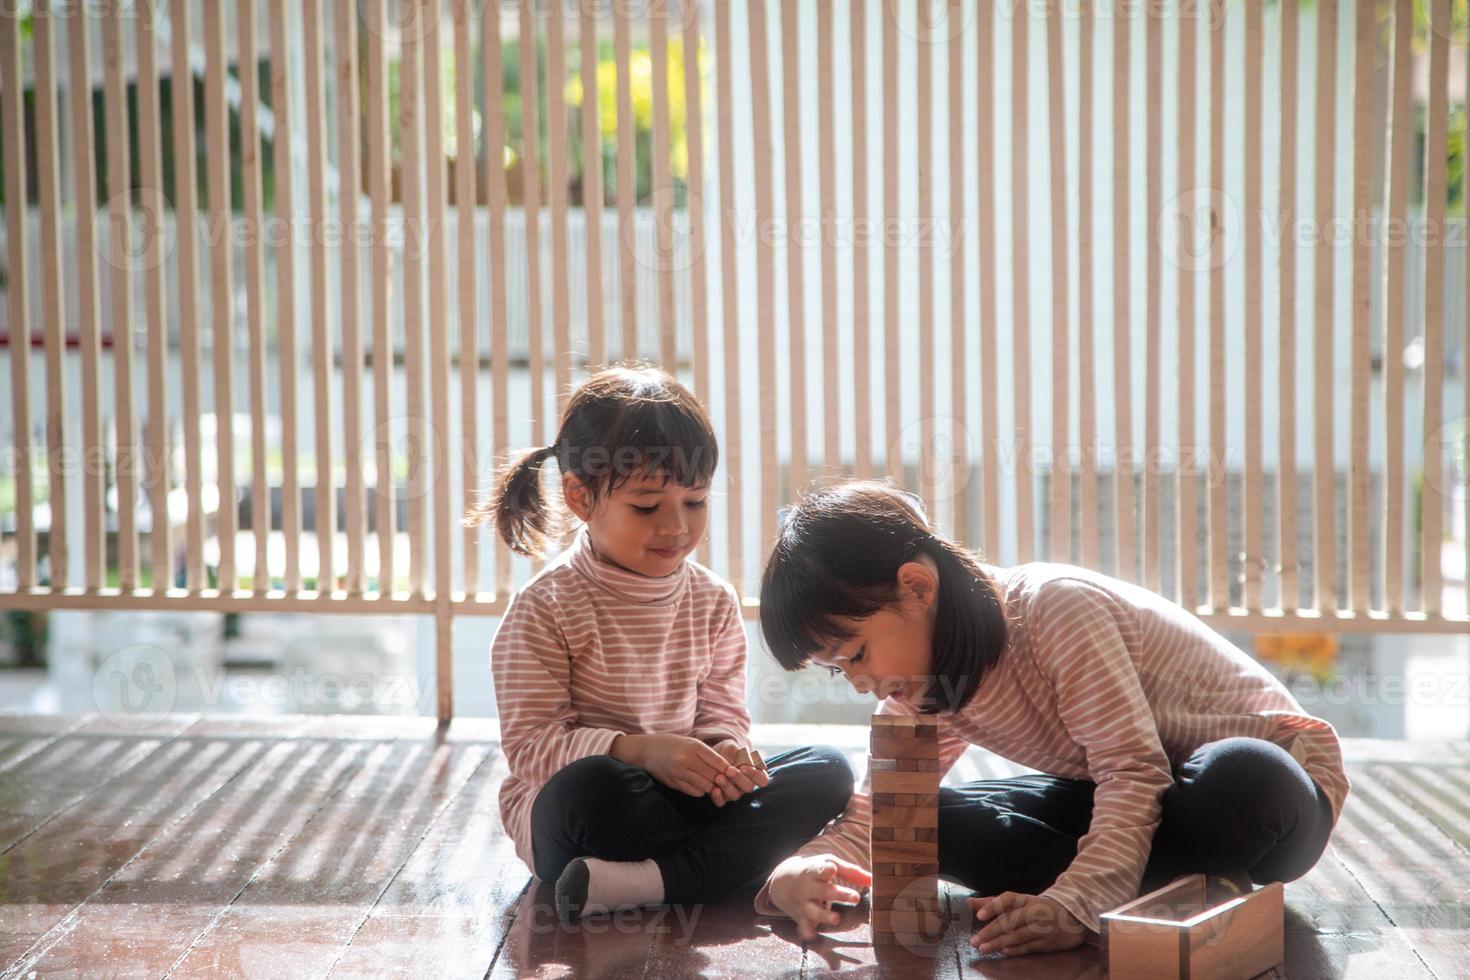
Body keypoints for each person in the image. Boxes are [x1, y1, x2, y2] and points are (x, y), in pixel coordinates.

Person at [755, 480, 1348, 956]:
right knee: (919, 817)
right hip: (1129, 797)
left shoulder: (1054, 609)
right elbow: (881, 807)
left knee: (1242, 777)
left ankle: (1104, 891)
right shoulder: (922, 684)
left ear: (916, 587)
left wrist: (1073, 908)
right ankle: (1164, 891)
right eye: (839, 670)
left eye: (856, 653)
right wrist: (802, 866)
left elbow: (1134, 771)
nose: (860, 681)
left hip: (1269, 798)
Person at [475, 365, 853, 920]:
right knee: (595, 788)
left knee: (827, 768)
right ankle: (716, 866)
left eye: (695, 502)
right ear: (580, 498)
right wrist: (639, 749)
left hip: (682, 802)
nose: (676, 527)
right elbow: (532, 750)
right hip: (593, 815)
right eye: (647, 507)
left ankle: (646, 883)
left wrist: (727, 751)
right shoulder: (545, 607)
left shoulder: (712, 600)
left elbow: (723, 715)